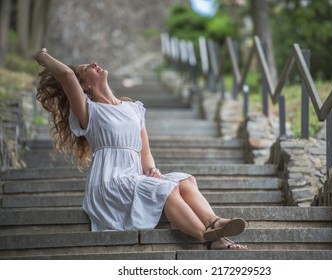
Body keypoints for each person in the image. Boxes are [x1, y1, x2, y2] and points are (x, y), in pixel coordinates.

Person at [33, 48, 247, 250]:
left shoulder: (134, 109)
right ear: (85, 87)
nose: (94, 64)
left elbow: (145, 152)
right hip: (111, 182)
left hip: (135, 177)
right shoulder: (89, 111)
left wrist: (152, 170)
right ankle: (207, 239)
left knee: (185, 180)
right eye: (85, 68)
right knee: (167, 190)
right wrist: (42, 56)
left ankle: (214, 222)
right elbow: (67, 75)